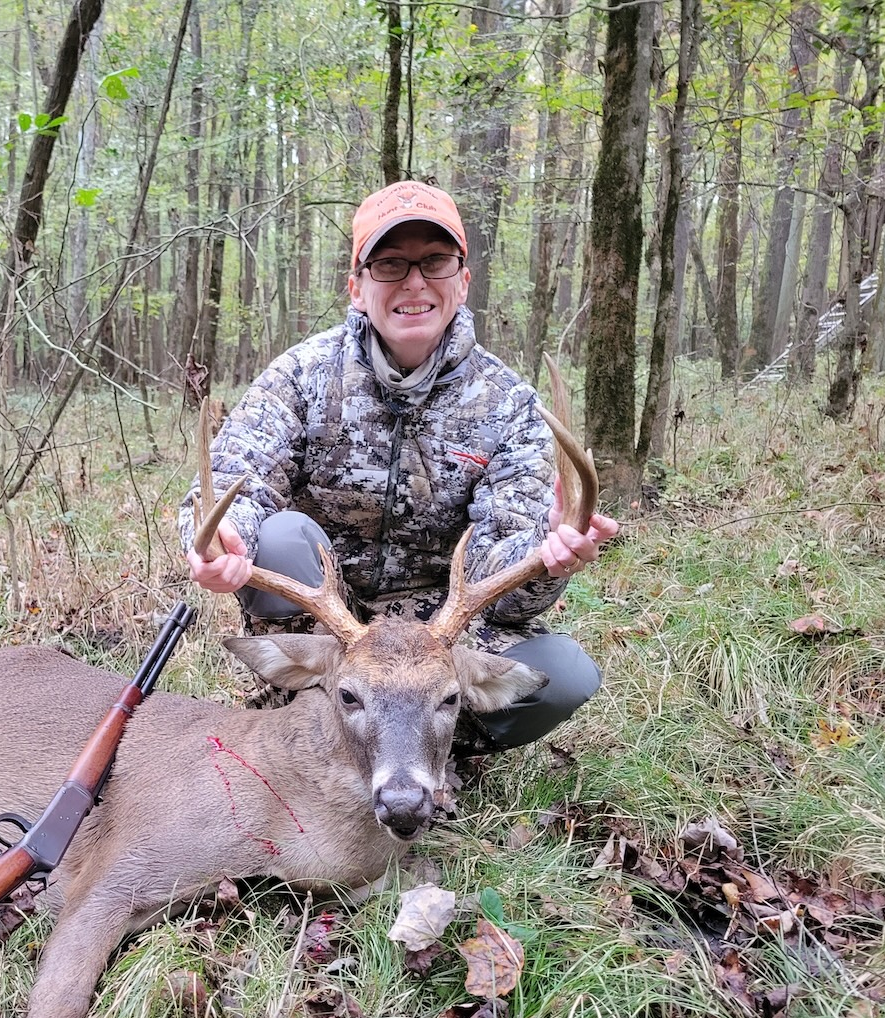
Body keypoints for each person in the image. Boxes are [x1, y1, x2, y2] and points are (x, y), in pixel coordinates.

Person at [180, 181, 620, 753]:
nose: (415, 282)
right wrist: (217, 541)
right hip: (334, 630)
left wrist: (549, 552)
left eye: (435, 261)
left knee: (564, 674)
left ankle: (418, 744)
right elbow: (230, 482)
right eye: (389, 265)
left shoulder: (509, 403)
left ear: (463, 281)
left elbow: (506, 587)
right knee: (283, 536)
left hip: (443, 631)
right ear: (358, 288)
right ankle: (310, 721)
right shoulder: (304, 376)